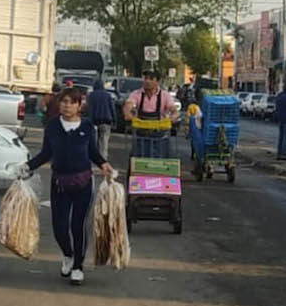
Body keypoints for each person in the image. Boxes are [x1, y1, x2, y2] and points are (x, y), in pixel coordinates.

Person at [22, 86, 112, 286]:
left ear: (80, 105)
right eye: (63, 101)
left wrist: (104, 165)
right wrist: (27, 167)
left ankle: (78, 267)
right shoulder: (53, 126)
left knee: (77, 225)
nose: (67, 106)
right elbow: (46, 153)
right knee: (59, 227)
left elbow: (93, 153)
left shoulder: (88, 127)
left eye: (72, 102)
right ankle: (68, 255)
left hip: (83, 183)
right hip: (59, 183)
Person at [123, 69, 178, 158]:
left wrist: (173, 116)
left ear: (157, 81)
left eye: (151, 78)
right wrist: (128, 113)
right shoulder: (136, 94)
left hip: (159, 137)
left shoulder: (165, 95)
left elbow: (173, 109)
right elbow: (128, 105)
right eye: (146, 78)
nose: (147, 81)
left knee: (160, 161)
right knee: (135, 161)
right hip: (141, 136)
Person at [87, 78, 115, 158]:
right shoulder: (107, 95)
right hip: (106, 120)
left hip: (94, 120)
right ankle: (103, 157)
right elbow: (112, 108)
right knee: (104, 140)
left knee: (94, 139)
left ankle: (94, 156)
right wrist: (114, 120)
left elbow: (90, 109)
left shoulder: (91, 95)